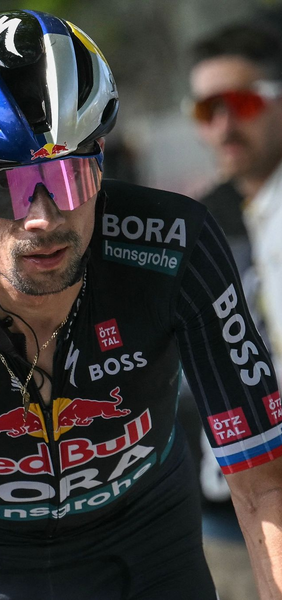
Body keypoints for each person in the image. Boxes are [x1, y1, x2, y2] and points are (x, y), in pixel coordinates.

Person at [0, 10, 282, 600]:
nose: (43, 218)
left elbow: (265, 485)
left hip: (146, 551)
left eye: (71, 178)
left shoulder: (175, 246)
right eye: (6, 186)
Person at [178, 19, 282, 600]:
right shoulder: (222, 212)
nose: (222, 125)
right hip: (230, 500)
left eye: (239, 102)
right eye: (204, 110)